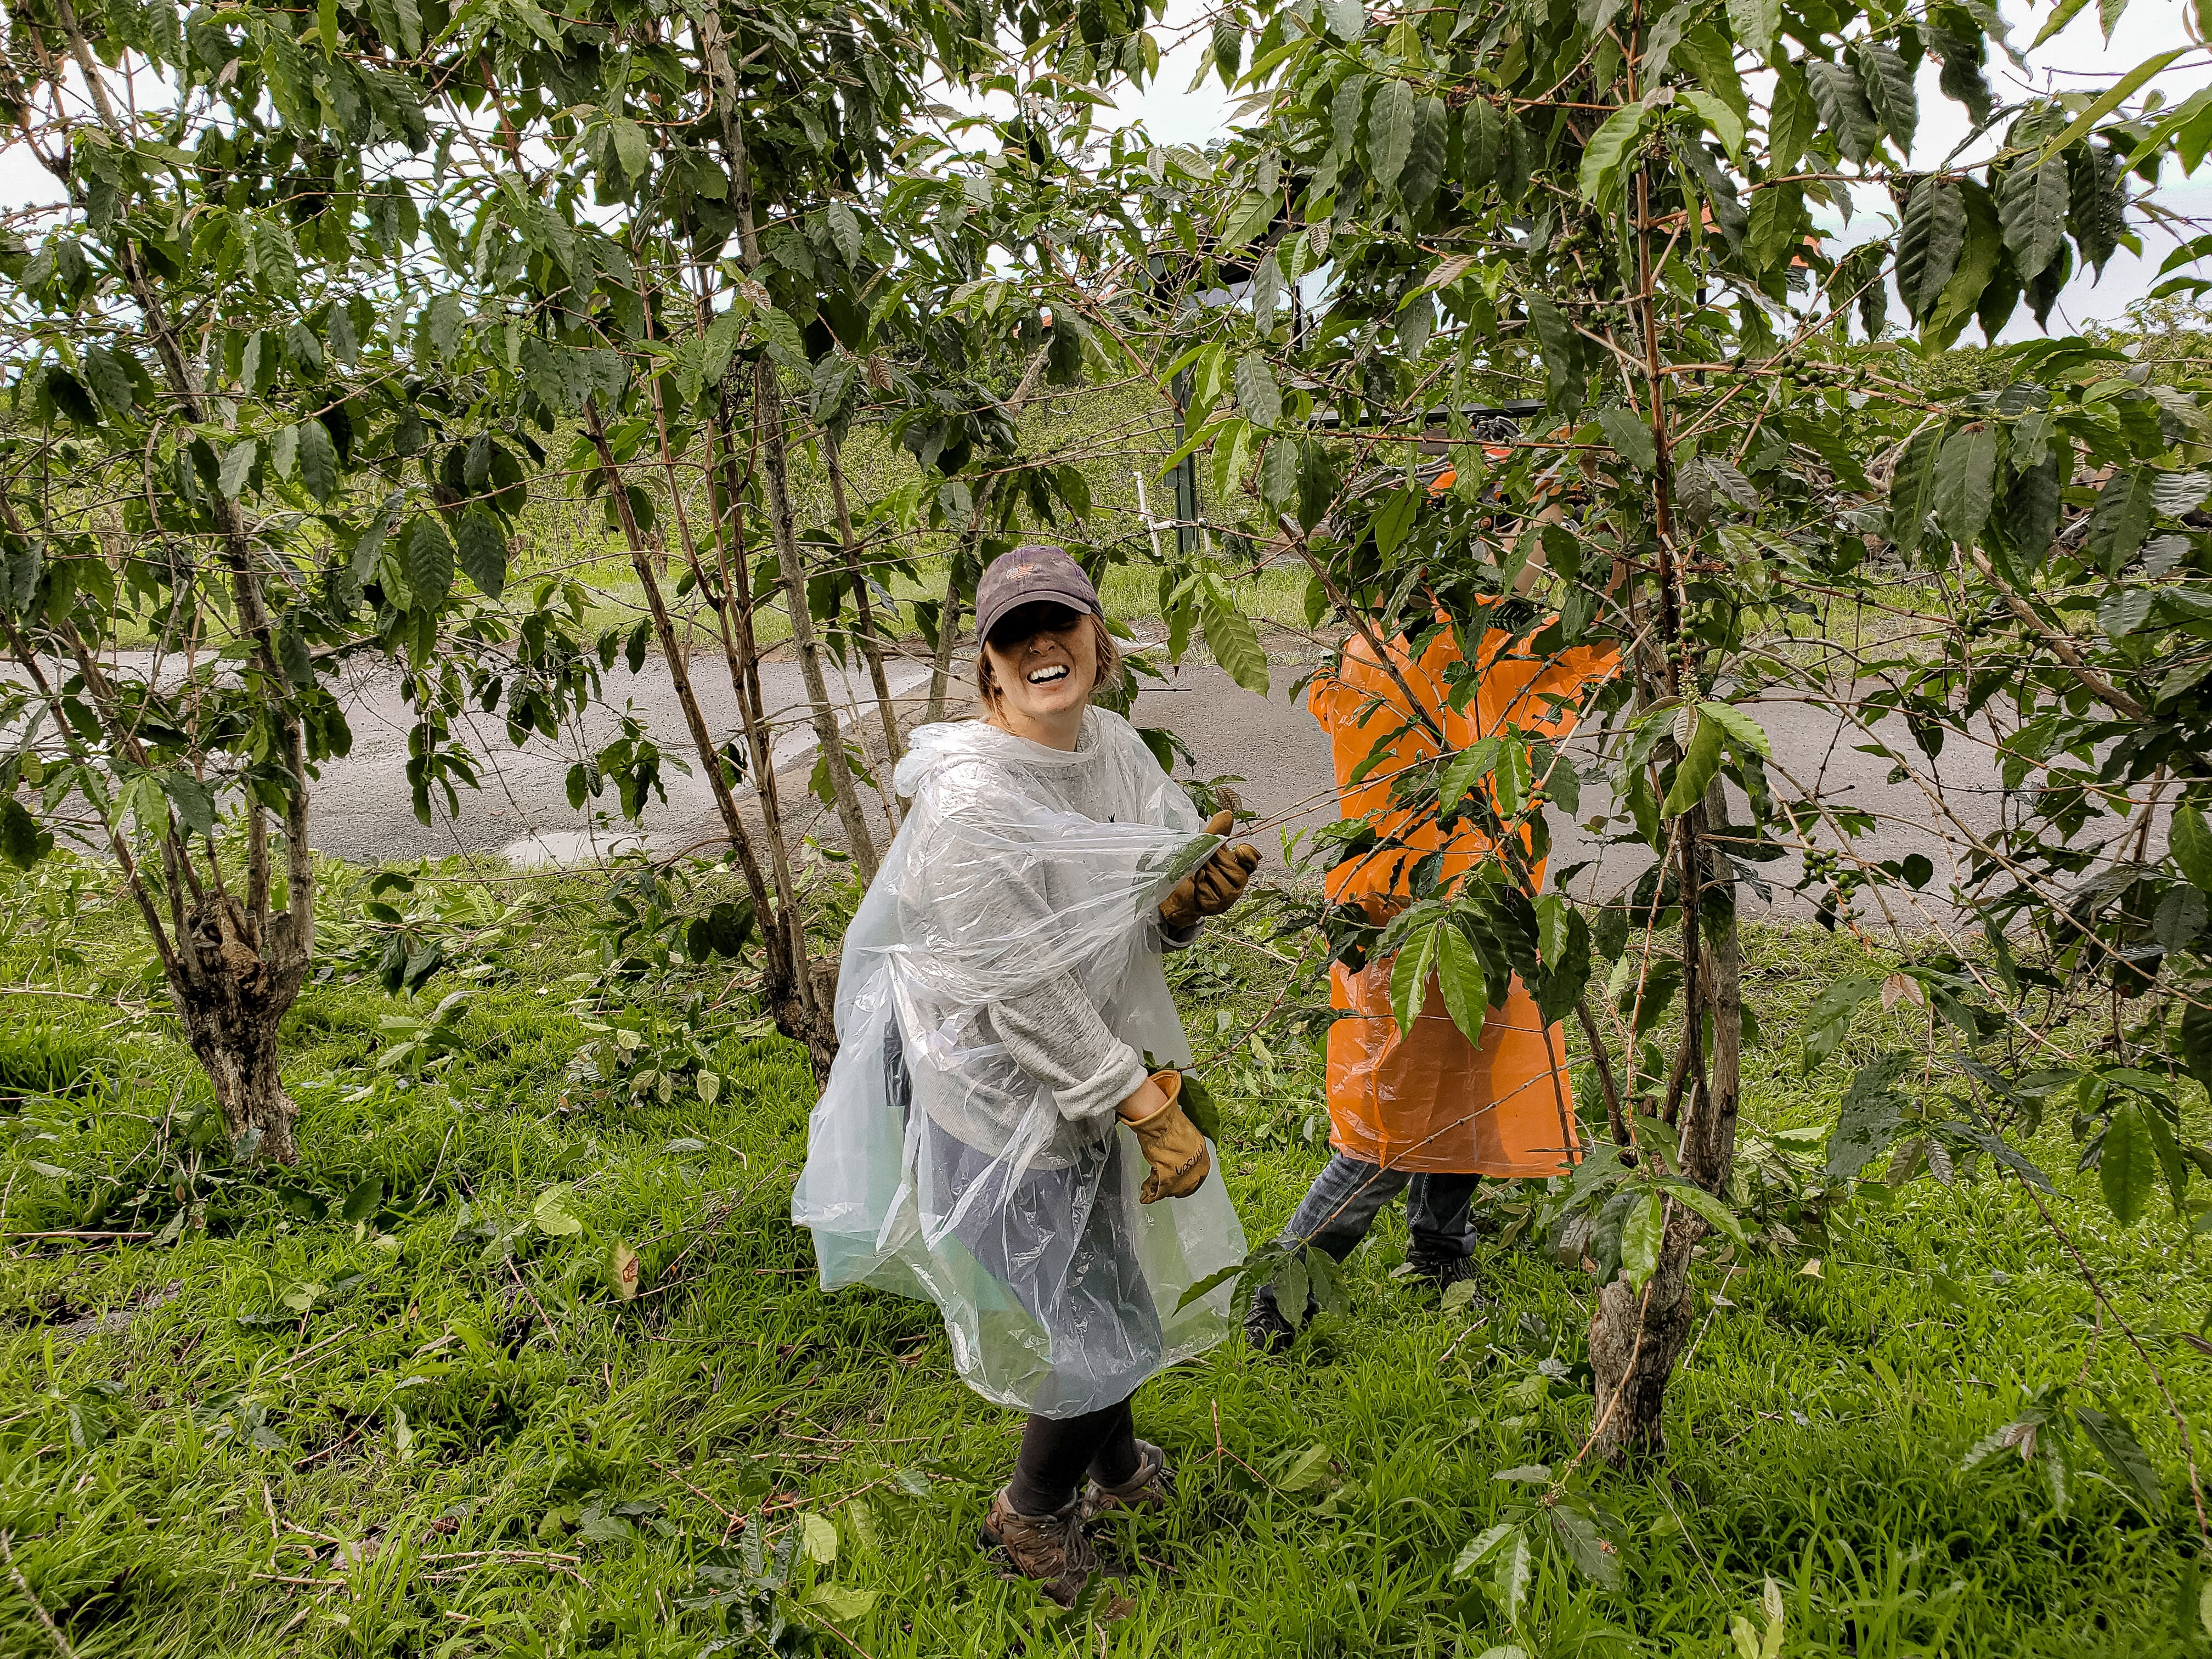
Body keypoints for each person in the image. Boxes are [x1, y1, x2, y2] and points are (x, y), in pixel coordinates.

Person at [793, 544, 1263, 1605]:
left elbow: (1136, 898)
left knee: (1107, 1287)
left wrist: (1183, 907)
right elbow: (1019, 989)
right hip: (992, 1097)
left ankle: (1118, 1471)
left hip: (1084, 1073)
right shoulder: (969, 802)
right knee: (1110, 1322)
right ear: (990, 671)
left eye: (1062, 623)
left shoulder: (1114, 751)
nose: (1043, 646)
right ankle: (1030, 1516)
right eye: (1016, 634)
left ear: (1099, 640)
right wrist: (1150, 1110)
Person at [1248, 535, 1613, 1350]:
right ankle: (1284, 1288)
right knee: (1390, 1124)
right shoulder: (1397, 655)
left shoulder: (1468, 646)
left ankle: (1441, 1250)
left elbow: (1572, 647)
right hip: (1405, 921)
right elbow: (1558, 655)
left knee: (1470, 1092)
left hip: (1486, 909)